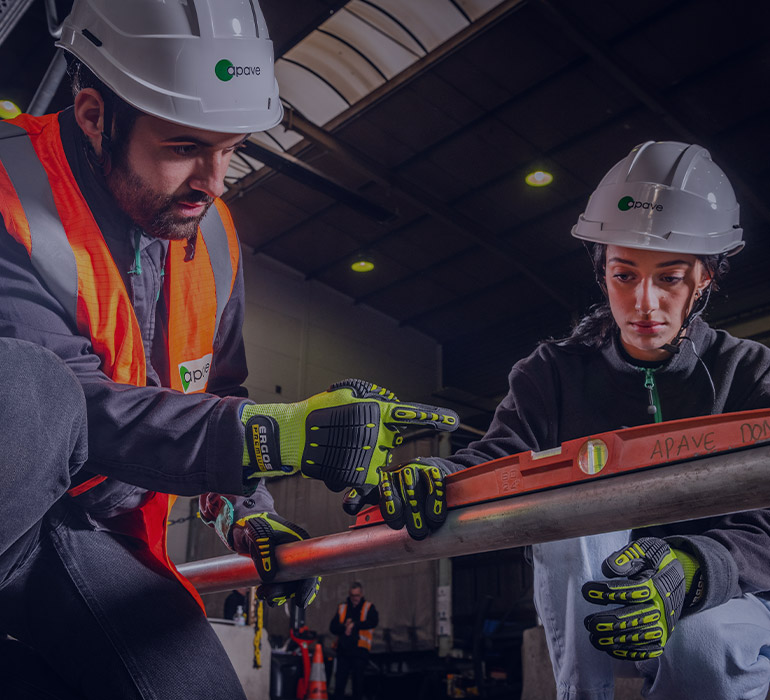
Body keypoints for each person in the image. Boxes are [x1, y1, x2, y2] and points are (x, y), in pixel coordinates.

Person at [0, 1, 458, 698]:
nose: (214, 183)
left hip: (96, 530)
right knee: (29, 387)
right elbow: (64, 411)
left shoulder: (211, 235)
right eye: (185, 147)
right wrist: (268, 437)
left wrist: (247, 510)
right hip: (15, 508)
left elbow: (216, 396)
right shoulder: (8, 188)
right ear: (94, 115)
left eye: (231, 147)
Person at [354, 141, 770, 699]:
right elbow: (501, 458)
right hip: (607, 601)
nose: (644, 302)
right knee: (566, 508)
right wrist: (438, 474)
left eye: (668, 278)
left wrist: (695, 569)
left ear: (705, 280)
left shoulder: (751, 374)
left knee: (702, 648)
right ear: (603, 271)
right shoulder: (551, 375)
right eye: (625, 275)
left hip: (730, 593)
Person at [330, 581, 379, 700]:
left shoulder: (368, 607)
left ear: (361, 594)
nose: (355, 598)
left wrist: (354, 625)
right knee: (340, 682)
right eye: (352, 595)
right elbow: (333, 627)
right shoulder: (342, 607)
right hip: (343, 651)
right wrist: (344, 627)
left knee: (358, 682)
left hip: (359, 650)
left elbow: (373, 622)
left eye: (357, 595)